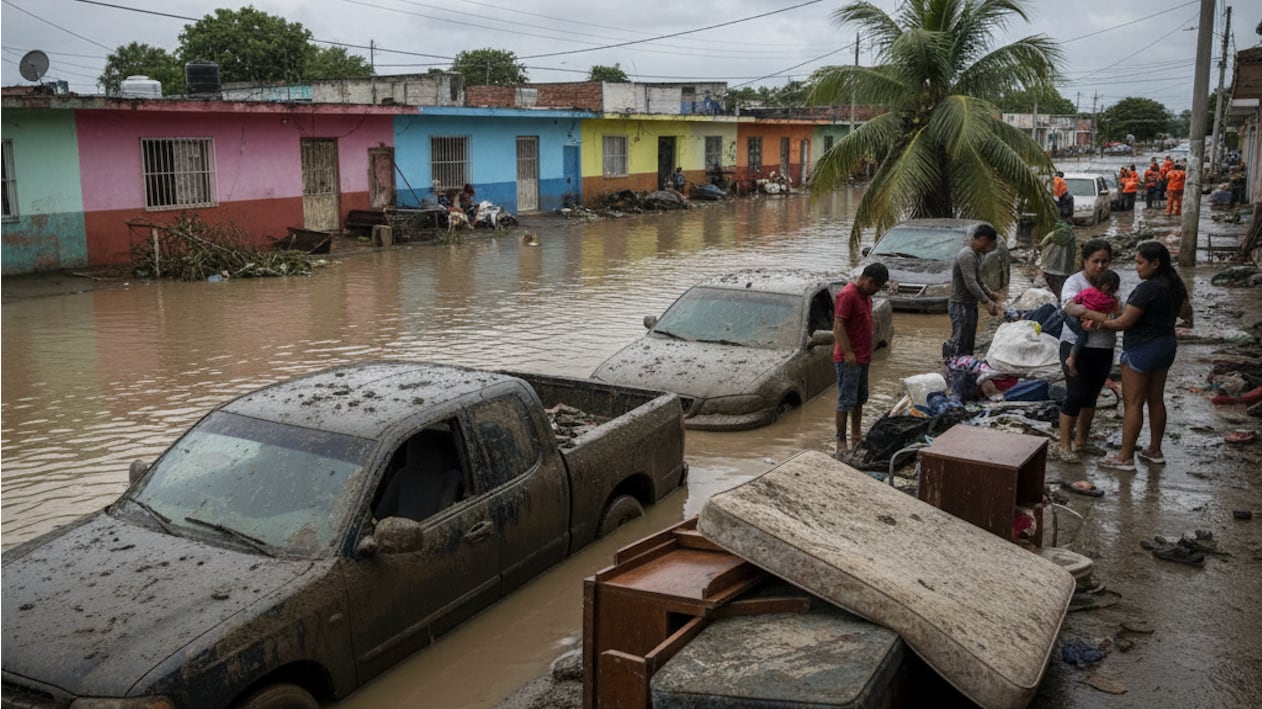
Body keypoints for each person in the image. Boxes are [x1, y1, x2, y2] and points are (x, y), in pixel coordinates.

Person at [1084, 241, 1187, 472]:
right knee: (1156, 399)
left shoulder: (1148, 288)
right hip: (1165, 345)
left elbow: (1123, 322)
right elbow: (1187, 315)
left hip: (1142, 348)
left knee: (1133, 402)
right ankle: (1154, 450)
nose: (1137, 268)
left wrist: (1094, 316)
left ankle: (1125, 457)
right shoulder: (1173, 284)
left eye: (1140, 263)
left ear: (1155, 263)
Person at [1052, 239, 1117, 463]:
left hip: (1104, 346)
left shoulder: (1111, 282)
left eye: (1105, 262)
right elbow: (1069, 306)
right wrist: (1100, 315)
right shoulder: (1075, 282)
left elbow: (1121, 308)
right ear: (1085, 262)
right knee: (1076, 394)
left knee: (1091, 397)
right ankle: (1064, 445)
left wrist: (1099, 315)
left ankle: (1081, 442)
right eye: (1095, 261)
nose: (1100, 266)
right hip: (1074, 346)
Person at [833, 263, 889, 457]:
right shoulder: (847, 295)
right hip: (849, 359)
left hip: (863, 357)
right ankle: (841, 440)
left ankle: (856, 436)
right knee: (845, 401)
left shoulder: (865, 296)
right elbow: (838, 326)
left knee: (859, 400)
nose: (875, 291)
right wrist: (848, 352)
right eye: (876, 287)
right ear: (869, 281)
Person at [945, 223, 1001, 359]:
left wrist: (990, 294)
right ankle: (950, 365)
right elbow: (970, 283)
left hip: (969, 304)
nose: (989, 249)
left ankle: (965, 366)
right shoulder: (967, 255)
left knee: (968, 342)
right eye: (989, 244)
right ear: (981, 239)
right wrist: (986, 301)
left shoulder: (976, 255)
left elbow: (979, 281)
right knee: (959, 340)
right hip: (960, 304)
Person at [1064, 269, 1121, 377]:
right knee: (1083, 335)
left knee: (1082, 333)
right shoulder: (1112, 300)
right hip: (1088, 322)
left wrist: (1079, 307)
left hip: (1081, 319)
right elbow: (1113, 314)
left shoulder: (1090, 291)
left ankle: (1071, 358)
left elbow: (1077, 299)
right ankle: (1071, 359)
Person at [1039, 220, 1077, 299]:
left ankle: (1058, 300)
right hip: (1065, 269)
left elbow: (1042, 244)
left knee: (1053, 288)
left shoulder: (1053, 234)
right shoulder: (1072, 237)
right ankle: (1063, 301)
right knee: (1064, 288)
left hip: (1050, 267)